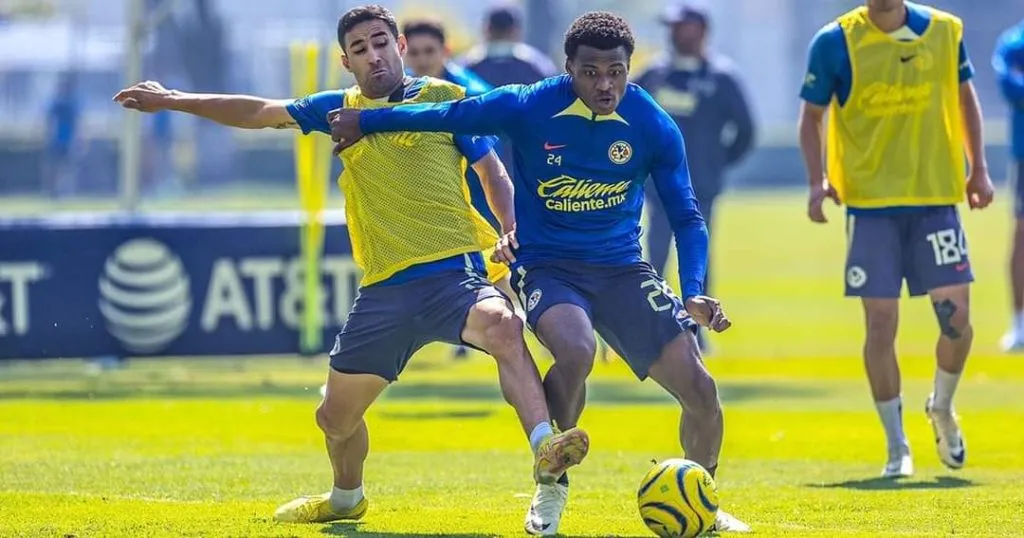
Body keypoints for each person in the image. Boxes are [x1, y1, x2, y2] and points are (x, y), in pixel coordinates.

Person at [113, 4, 589, 526]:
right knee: (334, 419)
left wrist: (509, 227)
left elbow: (492, 171)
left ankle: (546, 455)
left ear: (400, 46)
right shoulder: (337, 109)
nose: (374, 54)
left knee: (503, 325)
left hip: (454, 275)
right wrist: (173, 100)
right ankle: (345, 499)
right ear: (347, 61)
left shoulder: (445, 100)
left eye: (381, 42)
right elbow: (256, 112)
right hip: (385, 290)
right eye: (360, 49)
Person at [326, 11, 749, 536]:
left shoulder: (652, 124)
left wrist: (695, 292)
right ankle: (551, 486)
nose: (605, 84)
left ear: (629, 68)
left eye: (616, 72)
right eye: (591, 72)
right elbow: (449, 116)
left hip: (621, 269)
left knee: (702, 391)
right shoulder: (531, 105)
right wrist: (365, 121)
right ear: (568, 67)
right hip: (547, 265)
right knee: (575, 350)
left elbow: (686, 215)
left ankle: (701, 501)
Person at [798, 0, 993, 478]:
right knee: (881, 325)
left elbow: (965, 97)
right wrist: (816, 182)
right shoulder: (835, 41)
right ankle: (896, 445)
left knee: (957, 319)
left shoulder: (944, 31)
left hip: (935, 200)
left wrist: (979, 169)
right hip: (871, 208)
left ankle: (941, 406)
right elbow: (811, 118)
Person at [635, 2, 755, 353]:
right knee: (653, 256)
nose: (673, 33)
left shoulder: (721, 77)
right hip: (658, 187)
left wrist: (715, 163)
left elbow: (745, 130)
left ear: (700, 30)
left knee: (698, 258)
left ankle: (700, 329)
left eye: (680, 26)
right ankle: (646, 327)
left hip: (699, 187)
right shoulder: (654, 74)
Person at [403, 17, 519, 360]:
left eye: (430, 51)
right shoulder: (404, 93)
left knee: (505, 267)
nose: (422, 59)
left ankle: (552, 324)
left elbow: (498, 154)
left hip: (484, 193)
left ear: (446, 51)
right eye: (415, 52)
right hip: (442, 199)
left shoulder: (471, 93)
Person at [994, 18, 1024, 352]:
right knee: (1022, 233)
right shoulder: (1015, 43)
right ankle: (1019, 324)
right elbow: (1011, 88)